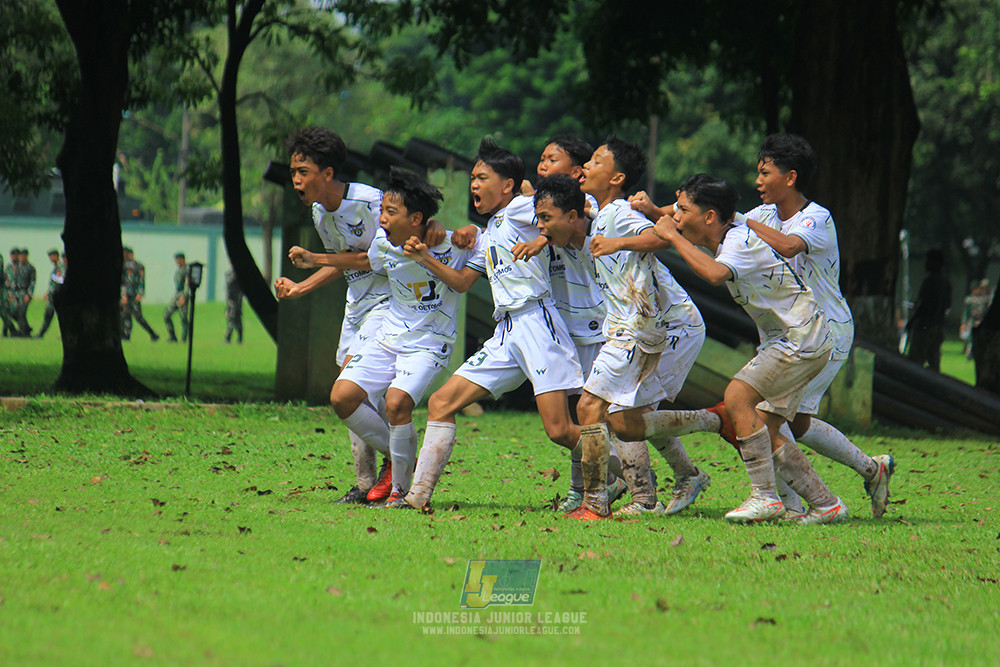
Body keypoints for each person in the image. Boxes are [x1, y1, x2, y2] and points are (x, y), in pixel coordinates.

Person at [398, 137, 585, 510]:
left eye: (481, 177)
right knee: (441, 402)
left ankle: (631, 474)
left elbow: (568, 219)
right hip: (506, 332)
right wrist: (425, 257)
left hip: (537, 323)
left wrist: (541, 235)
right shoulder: (489, 232)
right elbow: (461, 282)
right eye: (472, 178)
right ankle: (416, 497)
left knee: (560, 430)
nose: (474, 184)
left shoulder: (520, 207)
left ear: (507, 185)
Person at [653, 174, 847, 524]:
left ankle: (765, 497)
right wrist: (650, 214)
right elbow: (682, 236)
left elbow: (714, 274)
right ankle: (826, 504)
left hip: (800, 337)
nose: (675, 217)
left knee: (737, 398)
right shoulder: (727, 232)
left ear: (709, 217)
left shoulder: (739, 242)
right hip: (801, 337)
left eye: (682, 210)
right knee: (765, 430)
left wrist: (671, 236)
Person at [274, 126, 446, 504]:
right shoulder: (320, 212)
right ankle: (370, 481)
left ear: (328, 173)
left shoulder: (369, 202)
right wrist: (301, 288)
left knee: (352, 389)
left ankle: (398, 464)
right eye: (293, 172)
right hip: (356, 305)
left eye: (303, 172)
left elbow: (382, 253)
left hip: (387, 302)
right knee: (351, 396)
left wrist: (434, 226)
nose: (296, 180)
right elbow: (342, 262)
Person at [289, 168, 483, 505]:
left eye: (390, 212)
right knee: (342, 396)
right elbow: (361, 260)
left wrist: (471, 230)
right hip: (389, 336)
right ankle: (400, 456)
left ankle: (400, 491)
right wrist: (314, 260)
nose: (381, 219)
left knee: (396, 403)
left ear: (416, 219)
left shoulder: (451, 245)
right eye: (382, 211)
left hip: (429, 344)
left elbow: (483, 243)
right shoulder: (382, 243)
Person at [729, 134, 893, 518]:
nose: (758, 180)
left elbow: (788, 246)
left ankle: (797, 504)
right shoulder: (763, 215)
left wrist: (742, 220)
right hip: (793, 333)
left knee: (766, 418)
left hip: (826, 331)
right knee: (797, 421)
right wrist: (656, 210)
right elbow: (717, 219)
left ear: (790, 177)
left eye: (765, 173)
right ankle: (871, 470)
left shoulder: (816, 218)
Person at [554, 139, 707, 521]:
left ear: (617, 178)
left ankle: (612, 499)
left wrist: (618, 242)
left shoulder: (620, 214)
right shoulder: (601, 212)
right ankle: (670, 481)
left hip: (665, 326)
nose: (587, 166)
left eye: (596, 161)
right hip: (637, 327)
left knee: (604, 410)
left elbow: (663, 234)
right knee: (624, 415)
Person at [906, 248, 951, 371]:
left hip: (924, 326)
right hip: (938, 326)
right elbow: (947, 305)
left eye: (928, 261)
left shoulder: (929, 281)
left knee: (916, 360)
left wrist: (911, 321)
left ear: (936, 262)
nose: (925, 264)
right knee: (934, 362)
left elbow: (923, 305)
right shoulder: (946, 282)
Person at [120, 247, 159, 342]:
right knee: (125, 314)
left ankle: (152, 333)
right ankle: (126, 335)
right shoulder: (123, 265)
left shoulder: (139, 266)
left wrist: (140, 294)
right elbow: (122, 282)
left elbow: (141, 281)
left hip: (134, 295)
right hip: (126, 294)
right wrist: (123, 295)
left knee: (138, 316)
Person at [36, 249, 65, 339]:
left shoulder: (61, 268)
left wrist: (50, 293)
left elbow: (60, 282)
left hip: (58, 297)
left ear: (56, 256)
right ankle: (41, 334)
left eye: (51, 256)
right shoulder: (55, 268)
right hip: (53, 297)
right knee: (48, 315)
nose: (50, 259)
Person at [163, 252, 190, 343]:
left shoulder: (187, 270)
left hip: (183, 295)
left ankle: (184, 339)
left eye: (177, 260)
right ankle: (172, 336)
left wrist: (184, 297)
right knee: (166, 315)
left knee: (183, 318)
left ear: (182, 259)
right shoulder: (179, 270)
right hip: (176, 295)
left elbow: (187, 285)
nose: (176, 262)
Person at [961, 279, 991, 359]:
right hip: (972, 320)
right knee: (970, 338)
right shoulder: (970, 299)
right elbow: (966, 313)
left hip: (981, 321)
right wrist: (964, 323)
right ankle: (969, 353)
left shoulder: (986, 300)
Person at [12, 248, 36, 337]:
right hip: (17, 293)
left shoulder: (31, 268)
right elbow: (14, 281)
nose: (21, 258)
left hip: (25, 293)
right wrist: (12, 294)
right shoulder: (17, 267)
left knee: (22, 312)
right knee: (15, 312)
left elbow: (33, 283)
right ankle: (26, 328)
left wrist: (29, 295)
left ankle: (23, 331)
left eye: (22, 256)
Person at [2, 247, 18, 337]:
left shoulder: (20, 267)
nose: (13, 257)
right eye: (12, 255)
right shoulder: (9, 267)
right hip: (7, 293)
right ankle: (6, 331)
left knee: (12, 312)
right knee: (5, 312)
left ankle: (20, 330)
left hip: (16, 293)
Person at [224, 268, 243, 344]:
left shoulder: (233, 276)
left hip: (233, 301)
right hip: (235, 300)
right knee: (237, 319)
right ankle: (240, 338)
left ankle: (228, 338)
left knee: (232, 319)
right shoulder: (235, 274)